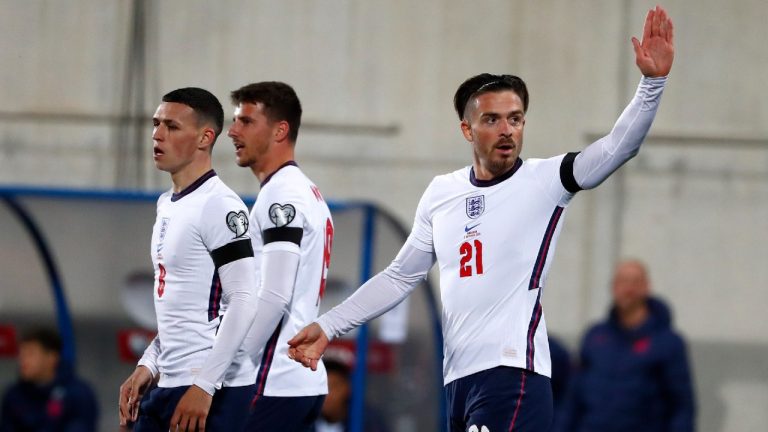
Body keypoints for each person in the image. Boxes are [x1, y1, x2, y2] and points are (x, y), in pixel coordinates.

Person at [288, 6, 675, 431]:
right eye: (492, 119)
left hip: (513, 374)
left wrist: (651, 84)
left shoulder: (546, 180)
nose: (507, 129)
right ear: (467, 130)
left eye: (515, 119)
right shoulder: (442, 192)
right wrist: (328, 324)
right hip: (458, 380)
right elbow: (400, 277)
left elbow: (619, 147)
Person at [118, 87, 259, 431]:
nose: (157, 134)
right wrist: (148, 364)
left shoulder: (220, 205)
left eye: (172, 126)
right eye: (156, 124)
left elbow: (243, 298)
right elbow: (182, 306)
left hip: (213, 388)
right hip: (170, 379)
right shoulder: (168, 203)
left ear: (204, 137)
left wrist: (205, 385)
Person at [227, 81, 334, 430]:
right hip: (299, 380)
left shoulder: (281, 196)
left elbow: (274, 295)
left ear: (280, 130)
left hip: (273, 379)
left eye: (245, 121)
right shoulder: (306, 191)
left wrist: (231, 365)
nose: (232, 132)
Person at [562, 259, 695, 431]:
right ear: (613, 287)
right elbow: (572, 398)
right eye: (622, 282)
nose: (628, 289)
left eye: (635, 282)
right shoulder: (595, 337)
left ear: (647, 287)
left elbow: (682, 405)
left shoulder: (668, 343)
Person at [0, 327, 98, 432]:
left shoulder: (78, 394)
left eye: (30, 354)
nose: (23, 360)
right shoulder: (14, 395)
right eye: (22, 354)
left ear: (52, 357)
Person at [315, 359, 390, 432]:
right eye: (322, 387)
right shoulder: (305, 419)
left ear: (347, 388)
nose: (327, 394)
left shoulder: (367, 421)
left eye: (333, 387)